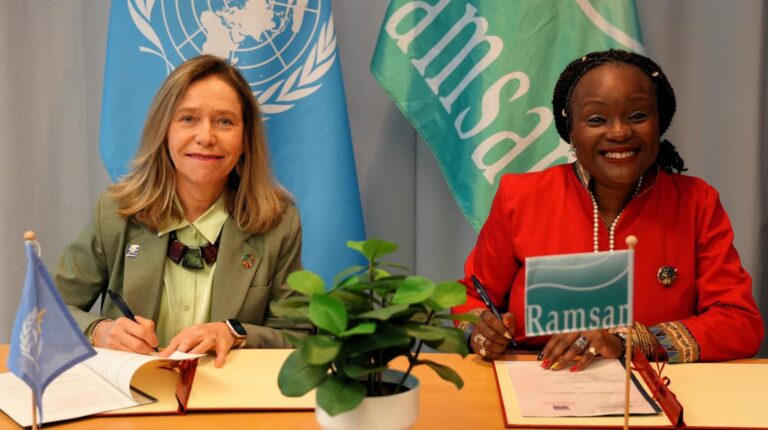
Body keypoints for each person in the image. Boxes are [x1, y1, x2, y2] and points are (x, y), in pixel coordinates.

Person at [452, 49, 763, 371]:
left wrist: (630, 341)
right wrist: (482, 330)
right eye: (597, 119)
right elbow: (469, 300)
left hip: (657, 386)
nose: (619, 132)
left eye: (638, 115)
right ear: (570, 129)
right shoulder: (520, 197)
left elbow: (740, 324)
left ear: (660, 123)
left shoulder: (697, 202)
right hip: (537, 380)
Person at [55, 55, 306, 367]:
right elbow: (44, 311)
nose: (205, 137)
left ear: (245, 139)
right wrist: (99, 331)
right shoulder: (116, 214)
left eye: (225, 121)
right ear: (165, 131)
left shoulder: (278, 224)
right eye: (188, 118)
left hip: (230, 404)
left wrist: (235, 333)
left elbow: (300, 336)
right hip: (132, 402)